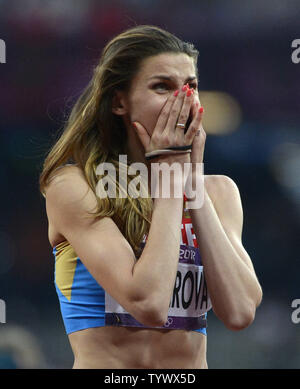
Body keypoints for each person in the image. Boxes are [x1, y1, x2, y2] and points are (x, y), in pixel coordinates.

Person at [39, 25, 262, 369]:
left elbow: (240, 311)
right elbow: (149, 304)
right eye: (163, 86)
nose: (183, 99)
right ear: (119, 102)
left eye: (191, 86)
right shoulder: (76, 186)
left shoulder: (219, 192)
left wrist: (193, 187)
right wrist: (171, 181)